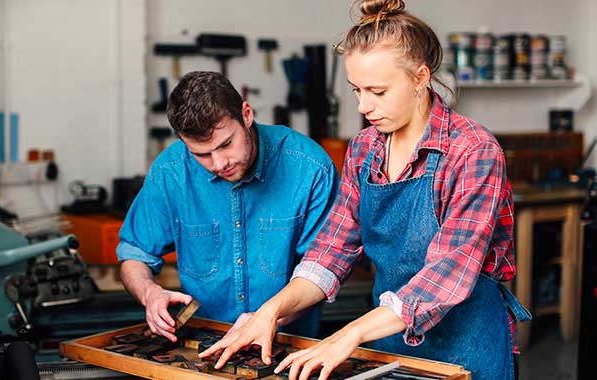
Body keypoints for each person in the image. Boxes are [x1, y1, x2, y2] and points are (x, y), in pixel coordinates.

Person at [200, 1, 531, 380]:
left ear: (420, 77)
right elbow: (331, 251)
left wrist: (348, 334)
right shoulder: (364, 149)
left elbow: (447, 274)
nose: (363, 105)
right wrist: (271, 311)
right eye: (356, 89)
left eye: (377, 91)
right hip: (388, 341)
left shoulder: (473, 151)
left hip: (467, 344)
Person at [117, 71, 339, 342]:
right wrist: (149, 292)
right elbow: (135, 253)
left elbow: (324, 270)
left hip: (288, 347)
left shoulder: (310, 168)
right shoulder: (171, 172)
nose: (219, 163)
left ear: (246, 114)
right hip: (200, 346)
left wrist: (268, 316)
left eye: (226, 144)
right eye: (201, 154)